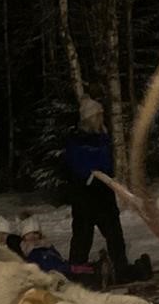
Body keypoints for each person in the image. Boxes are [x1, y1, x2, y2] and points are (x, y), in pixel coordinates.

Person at [64, 97, 149, 285]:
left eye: (101, 115)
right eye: (97, 116)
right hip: (84, 196)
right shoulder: (77, 139)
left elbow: (105, 163)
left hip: (104, 195)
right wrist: (92, 171)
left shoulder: (103, 137)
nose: (101, 119)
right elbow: (77, 164)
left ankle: (121, 269)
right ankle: (77, 272)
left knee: (115, 235)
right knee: (82, 236)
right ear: (89, 118)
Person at [17, 214, 69, 278]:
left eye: (35, 233)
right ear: (23, 238)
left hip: (62, 274)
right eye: (28, 234)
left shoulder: (47, 246)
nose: (32, 237)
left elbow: (60, 260)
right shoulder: (28, 252)